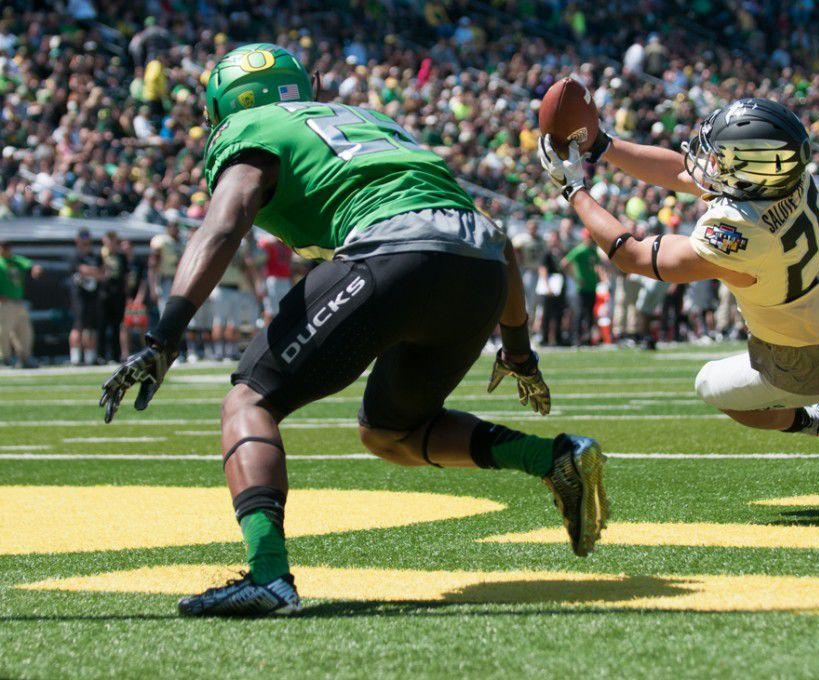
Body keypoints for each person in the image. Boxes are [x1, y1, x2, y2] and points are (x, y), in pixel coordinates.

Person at [99, 44, 608, 617]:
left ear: (225, 106)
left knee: (249, 400)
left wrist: (163, 336)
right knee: (391, 432)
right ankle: (553, 458)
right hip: (480, 264)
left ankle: (267, 575)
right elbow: (497, 239)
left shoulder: (247, 128)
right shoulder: (373, 121)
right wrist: (519, 353)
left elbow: (225, 222)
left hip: (392, 251)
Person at [540, 96, 819, 510]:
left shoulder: (738, 228)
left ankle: (811, 420)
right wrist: (603, 145)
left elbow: (634, 255)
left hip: (795, 349)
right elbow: (681, 172)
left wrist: (575, 190)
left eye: (723, 154)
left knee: (714, 387)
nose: (710, 160)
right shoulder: (795, 177)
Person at [0, 240, 42, 368]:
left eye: (8, 247)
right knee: (3, 331)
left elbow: (31, 265)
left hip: (18, 301)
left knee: (25, 331)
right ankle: (4, 358)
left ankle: (25, 358)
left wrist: (36, 269)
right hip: (4, 302)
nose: (6, 249)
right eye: (3, 247)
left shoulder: (16, 260)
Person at [562, 228, 603, 345]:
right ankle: (576, 339)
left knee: (590, 313)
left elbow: (597, 265)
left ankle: (588, 338)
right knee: (579, 313)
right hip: (581, 287)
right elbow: (564, 263)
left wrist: (598, 277)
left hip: (592, 285)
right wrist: (575, 278)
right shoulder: (580, 250)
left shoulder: (593, 251)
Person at [69, 229, 103, 365]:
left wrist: (91, 272)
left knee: (91, 328)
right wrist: (92, 271)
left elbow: (102, 273)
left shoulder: (96, 257)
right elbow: (81, 269)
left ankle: (90, 356)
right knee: (78, 326)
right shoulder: (75, 256)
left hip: (93, 295)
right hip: (79, 296)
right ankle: (76, 356)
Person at [98, 231, 129, 363]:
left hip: (118, 293)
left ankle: (116, 354)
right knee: (103, 325)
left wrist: (126, 293)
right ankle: (101, 355)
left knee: (117, 325)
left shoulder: (121, 257)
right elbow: (98, 272)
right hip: (104, 293)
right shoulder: (100, 256)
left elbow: (126, 276)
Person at [511, 219, 544, 328]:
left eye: (534, 227)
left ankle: (533, 327)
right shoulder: (521, 239)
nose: (533, 229)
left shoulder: (541, 240)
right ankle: (527, 327)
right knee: (528, 301)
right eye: (531, 227)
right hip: (527, 270)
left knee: (537, 301)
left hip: (539, 272)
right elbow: (512, 250)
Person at [258, 233, 294, 324]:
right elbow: (261, 260)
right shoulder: (269, 243)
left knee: (286, 309)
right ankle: (266, 335)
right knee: (270, 310)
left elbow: (289, 264)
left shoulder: (288, 244)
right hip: (273, 279)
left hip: (285, 279)